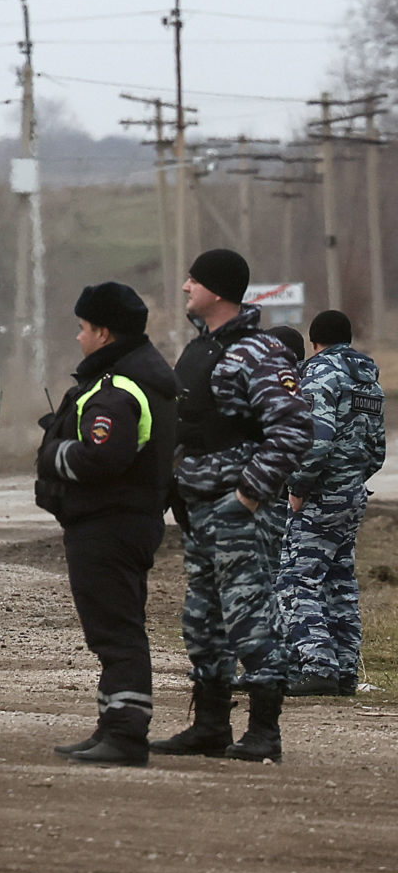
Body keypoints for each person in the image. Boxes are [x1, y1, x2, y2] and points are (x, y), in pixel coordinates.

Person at [152, 248, 312, 763]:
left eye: (193, 280)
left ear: (216, 290)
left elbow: (293, 427)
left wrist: (248, 494)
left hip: (240, 513)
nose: (184, 288)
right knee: (203, 620)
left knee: (250, 617)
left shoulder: (258, 353)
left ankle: (265, 732)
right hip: (200, 511)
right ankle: (210, 725)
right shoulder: (200, 351)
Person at [33, 283, 178, 766]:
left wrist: (53, 452)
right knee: (114, 630)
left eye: (81, 328)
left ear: (103, 331)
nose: (77, 338)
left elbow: (104, 455)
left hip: (110, 525)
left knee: (116, 633)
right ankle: (111, 725)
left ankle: (126, 734)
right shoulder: (137, 377)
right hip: (122, 522)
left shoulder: (120, 386)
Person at [278, 309, 385, 696]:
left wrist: (299, 485)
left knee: (295, 578)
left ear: (313, 342)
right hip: (352, 494)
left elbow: (316, 440)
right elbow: (377, 450)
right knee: (339, 583)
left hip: (321, 496)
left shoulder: (321, 373)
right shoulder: (367, 379)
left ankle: (316, 664)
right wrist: (351, 480)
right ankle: (343, 672)